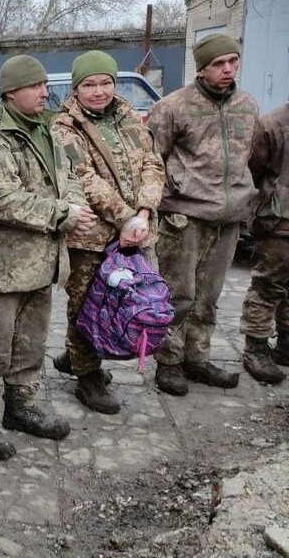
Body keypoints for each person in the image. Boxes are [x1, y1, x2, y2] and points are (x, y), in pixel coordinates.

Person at [0, 55, 97, 460]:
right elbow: (0, 199)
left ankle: (21, 407)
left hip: (41, 264)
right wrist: (63, 215)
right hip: (1, 268)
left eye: (44, 85)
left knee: (31, 347)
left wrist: (75, 207)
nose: (44, 92)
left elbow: (70, 178)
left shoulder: (47, 130)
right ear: (10, 92)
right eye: (35, 86)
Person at [50, 51, 165, 413]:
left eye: (105, 83)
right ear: (77, 87)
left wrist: (144, 212)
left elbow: (151, 162)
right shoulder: (65, 127)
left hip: (137, 229)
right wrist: (125, 218)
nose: (98, 91)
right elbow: (84, 178)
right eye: (89, 84)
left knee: (123, 301)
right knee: (85, 304)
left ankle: (80, 355)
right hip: (92, 237)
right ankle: (87, 376)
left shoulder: (128, 115)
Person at [147, 34, 258, 395]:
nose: (227, 69)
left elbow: (247, 157)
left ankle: (197, 357)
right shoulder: (173, 107)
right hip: (184, 216)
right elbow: (151, 160)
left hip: (228, 218)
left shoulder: (247, 106)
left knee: (208, 296)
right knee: (178, 295)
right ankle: (169, 362)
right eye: (218, 64)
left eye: (233, 61)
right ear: (202, 67)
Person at [238, 102, 289, 385]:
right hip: (278, 222)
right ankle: (255, 346)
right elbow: (253, 169)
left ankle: (285, 343)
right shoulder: (272, 123)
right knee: (268, 285)